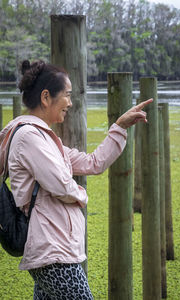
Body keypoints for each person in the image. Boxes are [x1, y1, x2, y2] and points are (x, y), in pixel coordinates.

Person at [0, 60, 152, 300]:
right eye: (67, 95)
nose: (70, 103)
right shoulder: (29, 137)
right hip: (52, 251)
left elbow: (93, 163)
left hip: (57, 249)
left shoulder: (46, 140)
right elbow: (60, 184)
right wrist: (82, 195)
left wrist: (120, 127)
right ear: (46, 97)